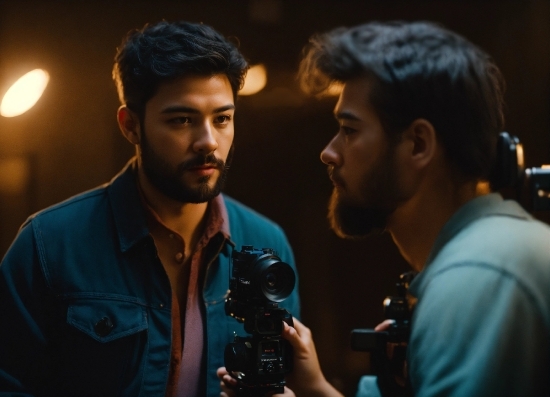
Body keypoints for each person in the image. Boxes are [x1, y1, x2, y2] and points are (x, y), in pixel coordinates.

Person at [219, 20, 550, 397]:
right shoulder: (486, 257)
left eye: (350, 130)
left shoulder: (479, 278)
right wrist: (315, 390)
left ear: (418, 145)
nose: (329, 152)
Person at [0, 20, 300, 397]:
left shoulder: (266, 244)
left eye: (222, 118)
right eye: (182, 120)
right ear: (131, 126)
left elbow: (287, 379)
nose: (208, 142)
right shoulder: (48, 244)